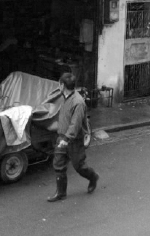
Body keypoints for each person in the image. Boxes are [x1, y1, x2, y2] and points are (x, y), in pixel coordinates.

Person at [47, 72, 99, 202]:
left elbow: (75, 124)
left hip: (73, 140)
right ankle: (61, 193)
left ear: (62, 85)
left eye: (59, 83)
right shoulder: (64, 95)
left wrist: (66, 139)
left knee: (79, 166)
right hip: (62, 137)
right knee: (58, 164)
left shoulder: (78, 102)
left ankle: (93, 177)